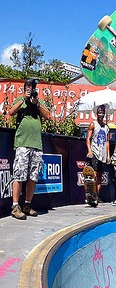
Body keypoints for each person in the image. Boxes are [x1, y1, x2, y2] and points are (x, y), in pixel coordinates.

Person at [8, 79, 51, 219]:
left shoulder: (39, 102)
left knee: (33, 177)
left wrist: (37, 103)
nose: (29, 89)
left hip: (36, 145)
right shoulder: (20, 100)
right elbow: (11, 112)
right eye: (27, 87)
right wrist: (24, 100)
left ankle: (27, 205)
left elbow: (48, 116)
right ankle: (15, 206)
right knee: (19, 175)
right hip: (22, 143)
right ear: (24, 89)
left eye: (31, 88)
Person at [85, 104, 110, 202]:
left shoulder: (106, 127)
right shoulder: (93, 124)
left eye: (102, 113)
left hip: (103, 154)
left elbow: (107, 142)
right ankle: (90, 195)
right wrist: (89, 150)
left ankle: (96, 196)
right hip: (95, 152)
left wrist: (108, 156)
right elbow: (88, 138)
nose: (101, 114)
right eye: (99, 112)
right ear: (96, 113)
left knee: (99, 176)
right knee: (93, 175)